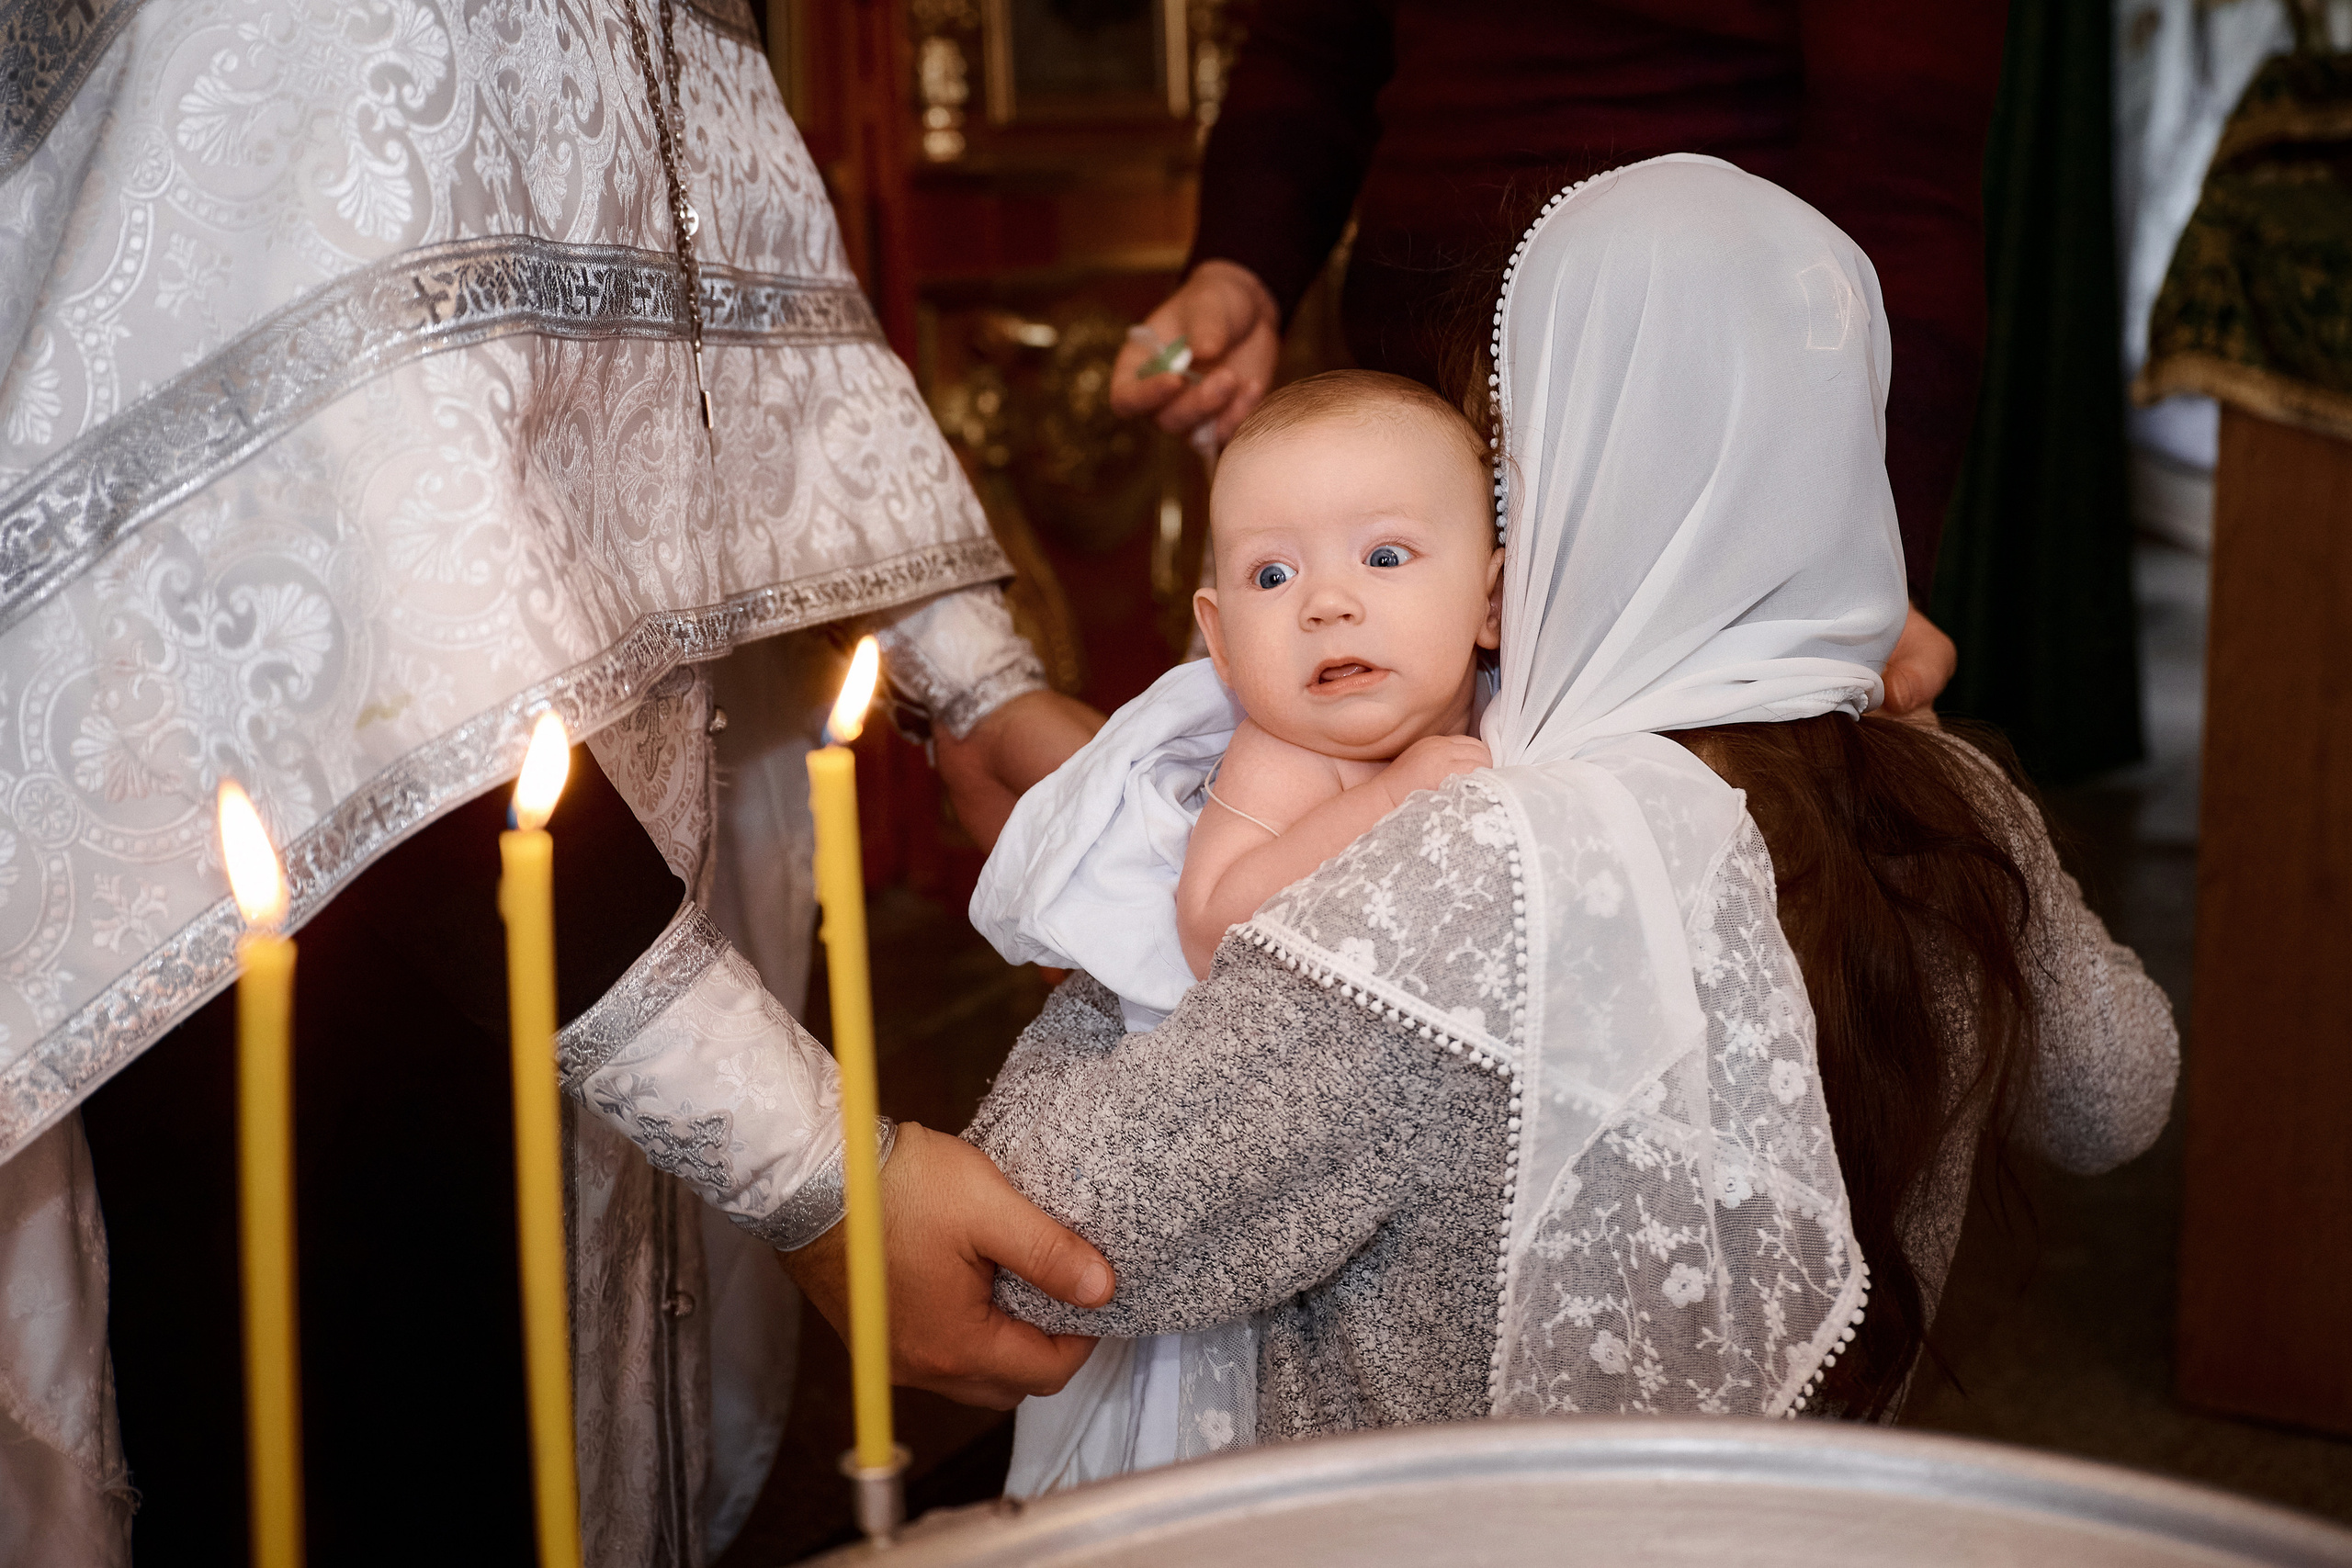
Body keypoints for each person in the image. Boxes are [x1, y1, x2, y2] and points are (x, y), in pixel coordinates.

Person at [0, 2, 1103, 1562]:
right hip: (295, 923)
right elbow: (336, 608)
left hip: (600, 847)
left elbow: (743, 277)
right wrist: (810, 1164)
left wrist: (968, 679)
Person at [967, 157, 2177, 1460]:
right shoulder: (1953, 792)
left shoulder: (1478, 861)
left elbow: (1032, 1235)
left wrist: (1107, 956)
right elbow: (2118, 1094)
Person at [1109, 0, 2007, 715]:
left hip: (1683, 460)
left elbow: (1900, 162)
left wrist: (1869, 554)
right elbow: (1315, 44)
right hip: (1418, 415)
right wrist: (1241, 265)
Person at [969, 370, 1499, 1490]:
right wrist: (1390, 799)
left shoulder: (1508, 704)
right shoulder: (1287, 751)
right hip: (1225, 1130)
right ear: (1217, 634)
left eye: (1386, 558)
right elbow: (1213, 921)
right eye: (1272, 574)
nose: (1327, 604)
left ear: (1493, 603)